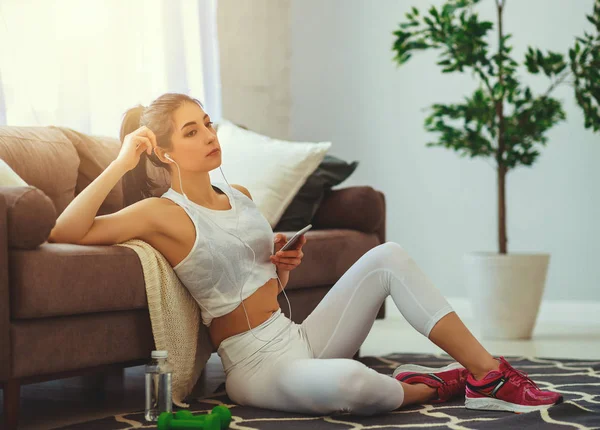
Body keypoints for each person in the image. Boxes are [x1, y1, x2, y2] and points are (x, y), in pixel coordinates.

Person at [49, 93, 562, 415]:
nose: (209, 135)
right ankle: (434, 385)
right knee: (357, 384)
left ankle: (490, 373)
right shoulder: (161, 213)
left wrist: (279, 265)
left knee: (390, 256)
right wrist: (121, 162)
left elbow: (256, 282)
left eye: (206, 122)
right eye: (191, 131)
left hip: (298, 334)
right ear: (163, 153)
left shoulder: (242, 196)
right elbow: (67, 229)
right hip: (257, 367)